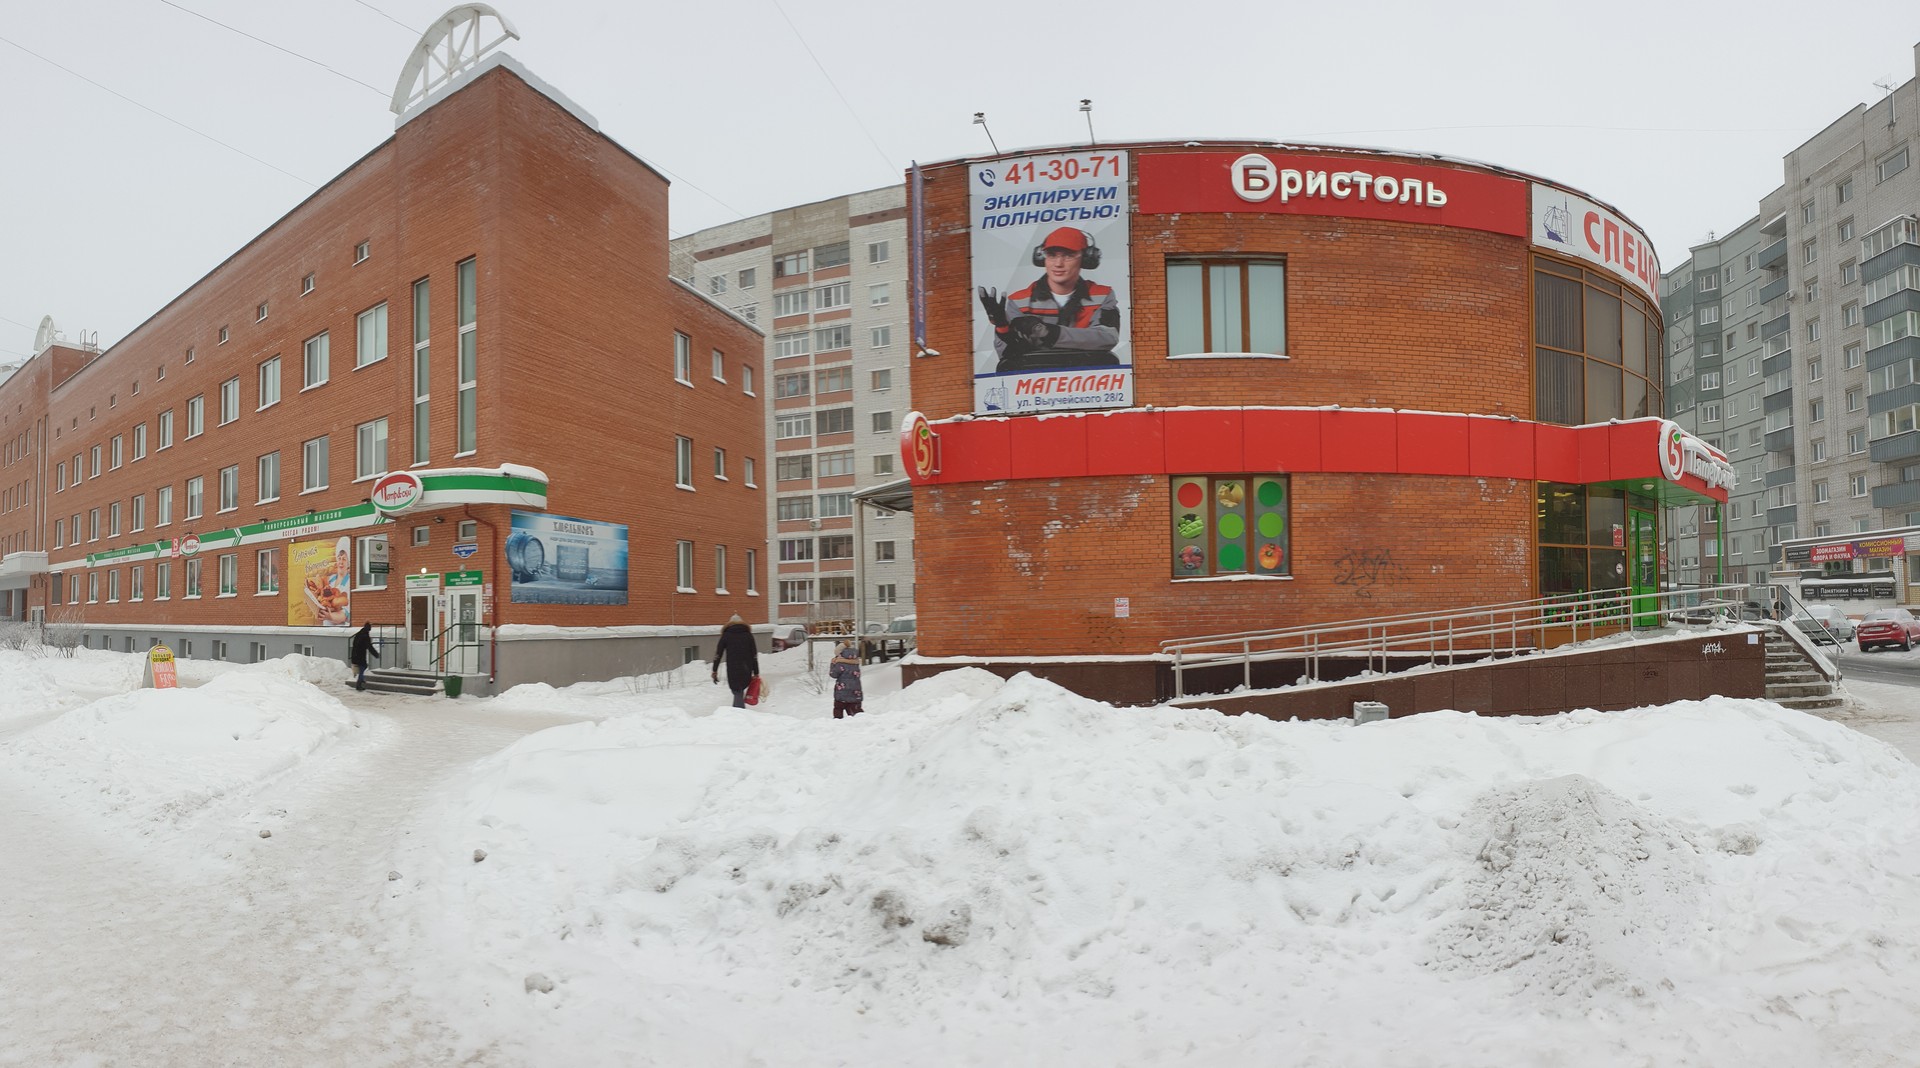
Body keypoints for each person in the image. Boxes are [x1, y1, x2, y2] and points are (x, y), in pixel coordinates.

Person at [977, 225, 1123, 373]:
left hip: (1089, 382)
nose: (1058, 264)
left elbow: (1107, 338)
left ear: (1086, 258)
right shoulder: (1019, 301)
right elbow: (1009, 356)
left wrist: (1048, 334)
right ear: (1042, 258)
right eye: (1052, 255)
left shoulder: (1103, 295)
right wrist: (1003, 329)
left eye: (1068, 255)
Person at [711, 613, 760, 708]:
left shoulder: (726, 635)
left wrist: (714, 670)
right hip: (746, 667)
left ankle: (740, 716)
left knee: (737, 691)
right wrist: (756, 672)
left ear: (730, 624)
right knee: (739, 691)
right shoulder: (748, 635)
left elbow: (718, 654)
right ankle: (735, 714)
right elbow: (754, 655)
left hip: (733, 668)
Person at [830, 641, 864, 719]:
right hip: (855, 691)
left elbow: (833, 674)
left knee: (838, 709)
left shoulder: (840, 663)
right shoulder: (855, 661)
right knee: (855, 711)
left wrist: (833, 664)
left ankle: (837, 723)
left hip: (842, 692)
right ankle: (861, 723)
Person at [348, 621, 379, 691]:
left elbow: (355, 643)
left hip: (355, 654)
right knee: (362, 667)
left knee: (364, 666)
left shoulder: (359, 633)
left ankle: (361, 679)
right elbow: (369, 646)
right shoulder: (365, 636)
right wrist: (375, 654)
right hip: (360, 655)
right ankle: (359, 684)